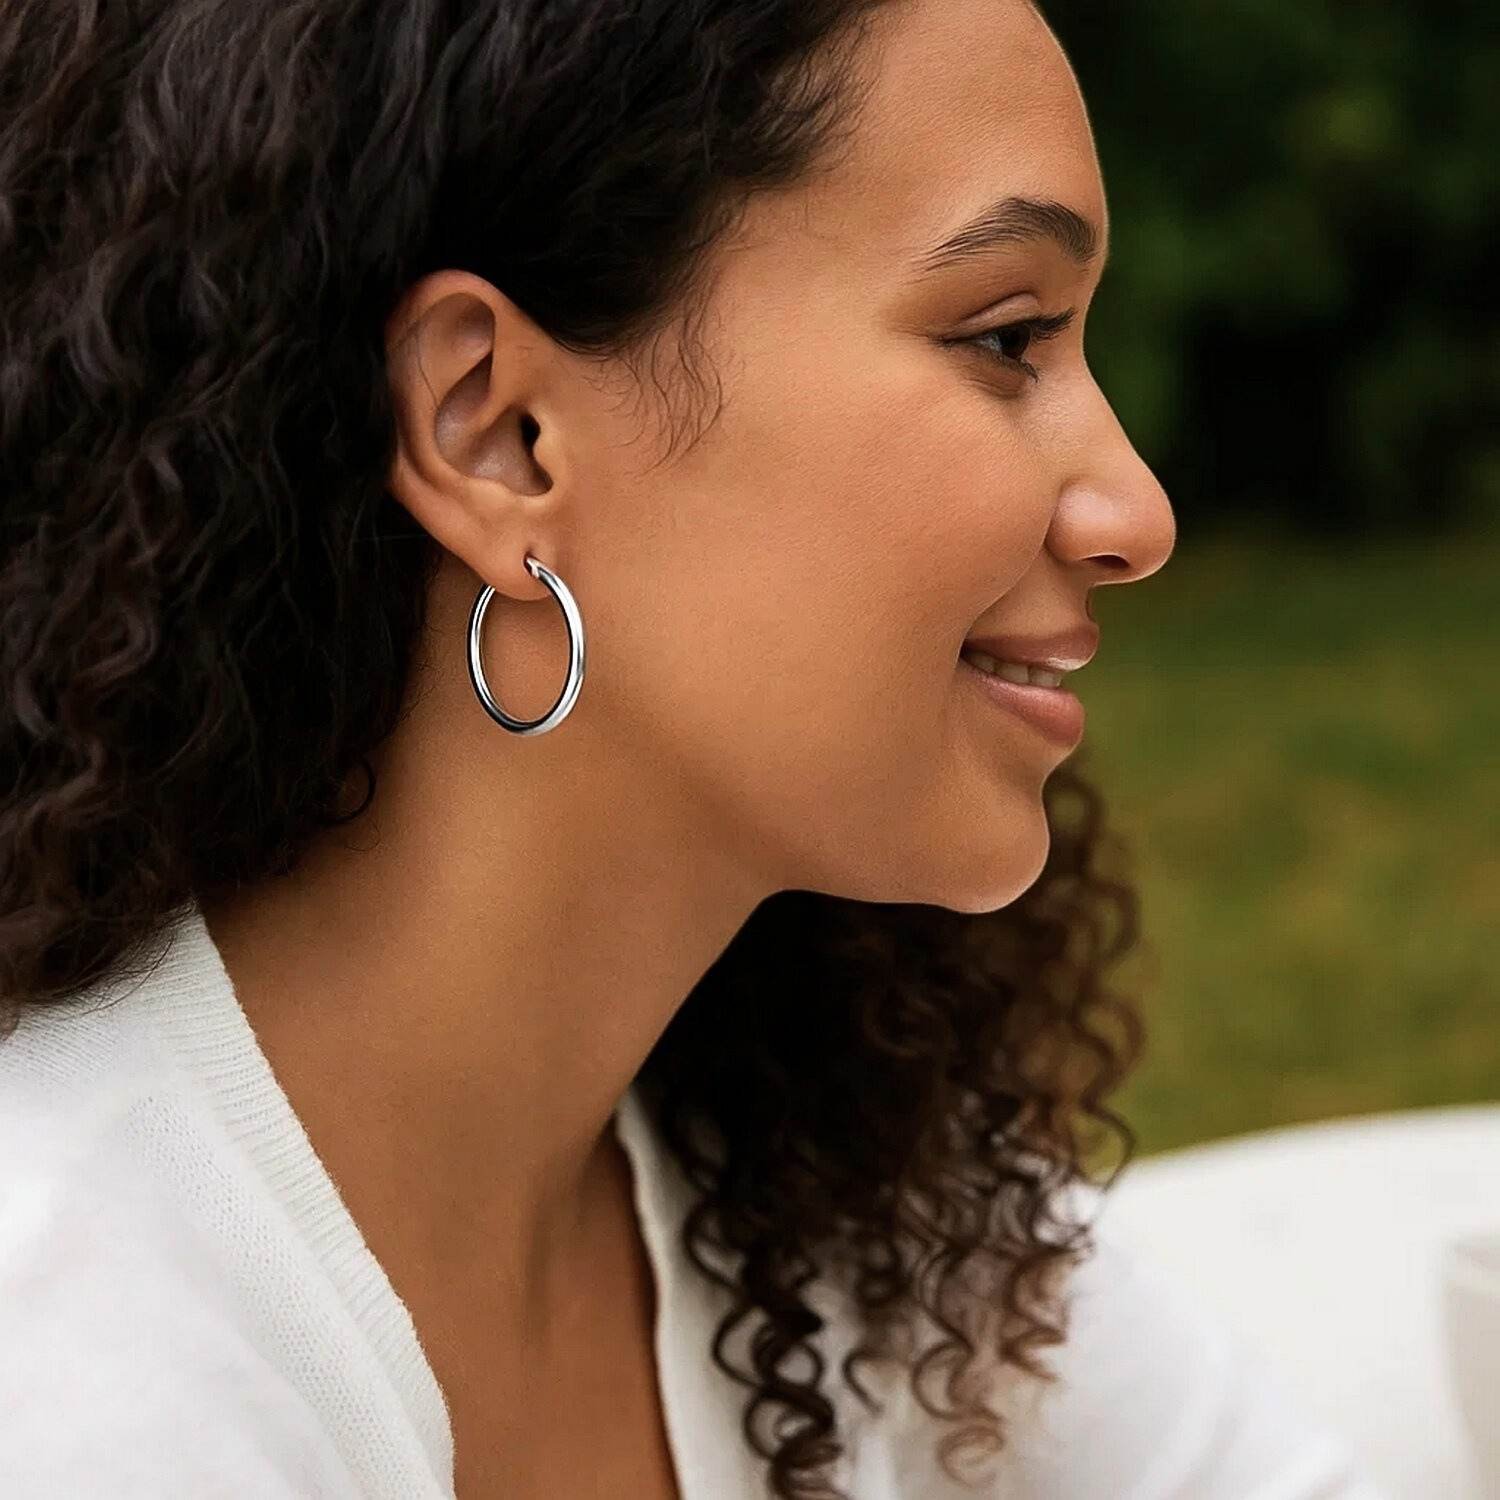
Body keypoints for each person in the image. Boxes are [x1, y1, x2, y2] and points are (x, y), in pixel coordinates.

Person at [0, 1, 1388, 1497]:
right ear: (499, 433)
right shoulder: (79, 1371)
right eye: (1005, 338)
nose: (1138, 513)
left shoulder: (833, 1177)